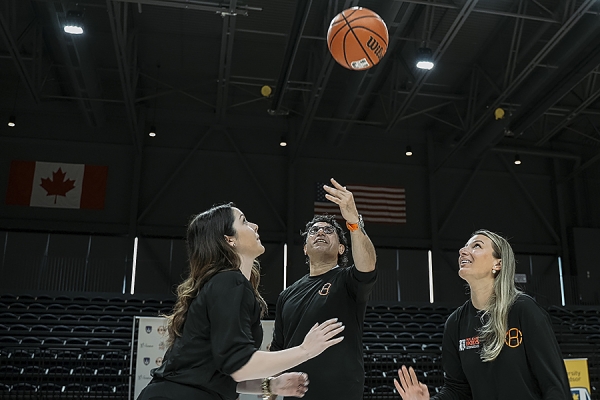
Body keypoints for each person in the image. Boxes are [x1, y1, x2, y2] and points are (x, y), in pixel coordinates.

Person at [137, 203, 345, 400]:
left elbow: (224, 374)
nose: (255, 226)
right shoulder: (229, 281)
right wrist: (305, 350)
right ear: (230, 239)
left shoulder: (228, 284)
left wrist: (270, 386)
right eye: (244, 221)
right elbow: (239, 365)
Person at [394, 229, 571, 400]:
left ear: (498, 264)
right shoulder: (455, 323)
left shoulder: (523, 309)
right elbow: (457, 390)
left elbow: (555, 386)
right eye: (464, 247)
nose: (463, 251)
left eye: (476, 246)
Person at [270, 178, 377, 400]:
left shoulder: (348, 281)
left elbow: (367, 266)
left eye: (328, 230)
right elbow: (278, 349)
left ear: (341, 248)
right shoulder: (286, 295)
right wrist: (269, 390)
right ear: (305, 250)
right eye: (314, 231)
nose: (320, 232)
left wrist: (354, 222)